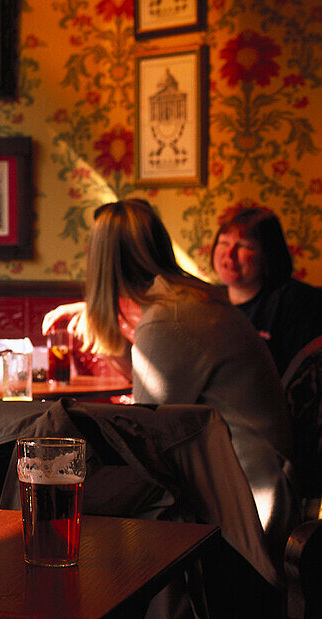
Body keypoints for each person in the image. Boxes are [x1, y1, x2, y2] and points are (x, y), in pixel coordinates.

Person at [42, 199, 296, 555]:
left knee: (55, 492)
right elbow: (159, 403)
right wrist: (107, 329)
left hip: (246, 503)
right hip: (252, 480)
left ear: (99, 260)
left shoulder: (168, 319)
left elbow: (144, 439)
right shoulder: (188, 301)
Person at [211, 207, 322, 376]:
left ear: (268, 255)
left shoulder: (298, 302)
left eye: (244, 246)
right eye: (224, 243)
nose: (229, 254)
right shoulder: (208, 299)